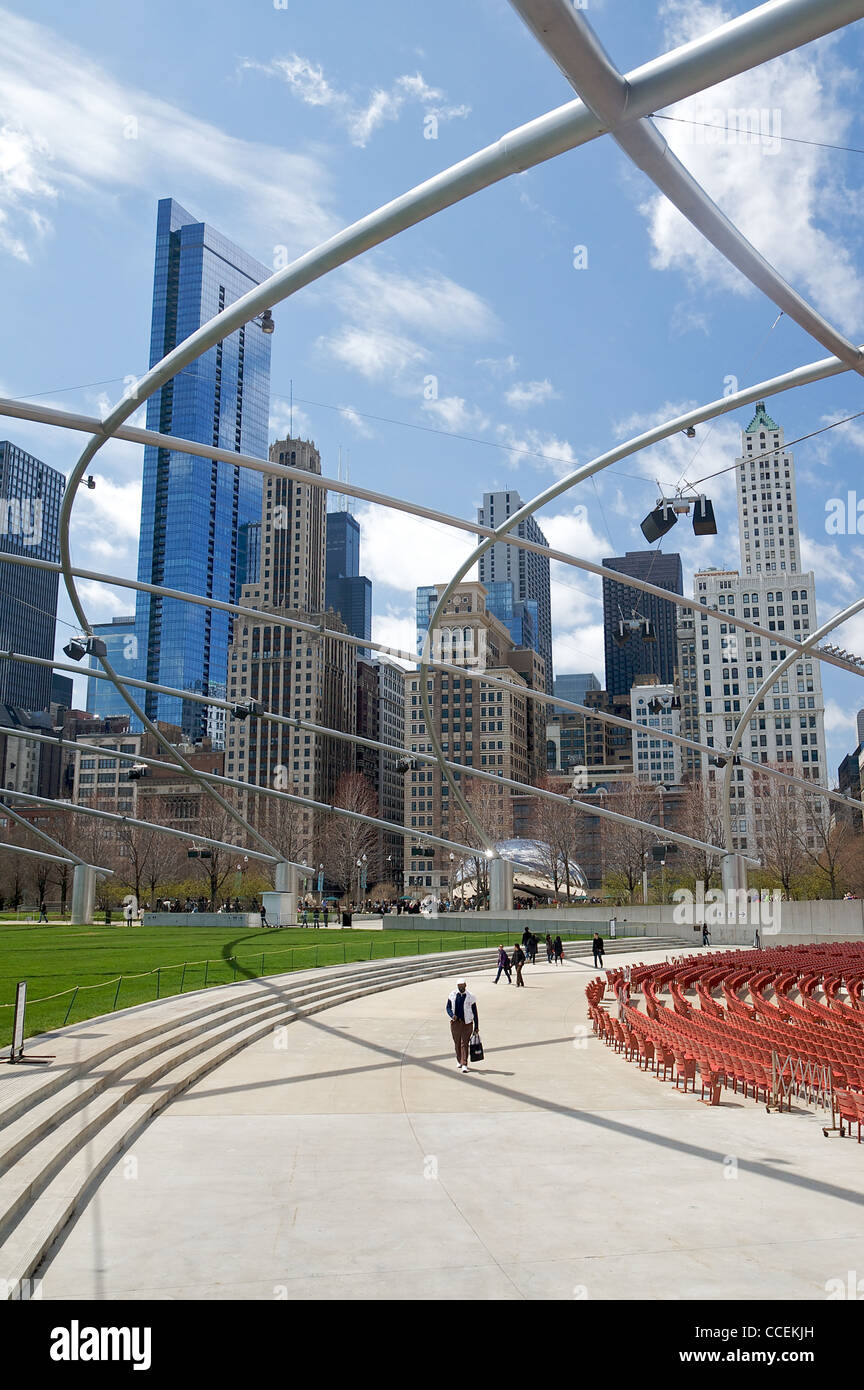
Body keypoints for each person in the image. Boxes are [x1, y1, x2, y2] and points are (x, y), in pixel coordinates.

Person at [446, 978, 479, 1072]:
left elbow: (475, 1012)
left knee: (464, 1043)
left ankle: (464, 1063)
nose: (460, 988)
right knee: (457, 1043)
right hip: (455, 1023)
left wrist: (476, 1026)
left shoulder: (470, 996)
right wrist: (452, 1015)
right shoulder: (452, 995)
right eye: (459, 986)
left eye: (462, 986)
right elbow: (448, 1007)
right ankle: (459, 1060)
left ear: (465, 985)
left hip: (467, 1023)